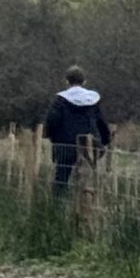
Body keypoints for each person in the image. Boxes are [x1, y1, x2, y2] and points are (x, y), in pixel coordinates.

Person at [41, 67, 112, 199]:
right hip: (90, 147)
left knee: (61, 179)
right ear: (84, 81)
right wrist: (104, 141)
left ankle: (58, 207)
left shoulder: (60, 100)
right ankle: (87, 205)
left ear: (67, 82)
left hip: (65, 146)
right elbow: (101, 122)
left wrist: (51, 137)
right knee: (88, 180)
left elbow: (52, 121)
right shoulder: (93, 100)